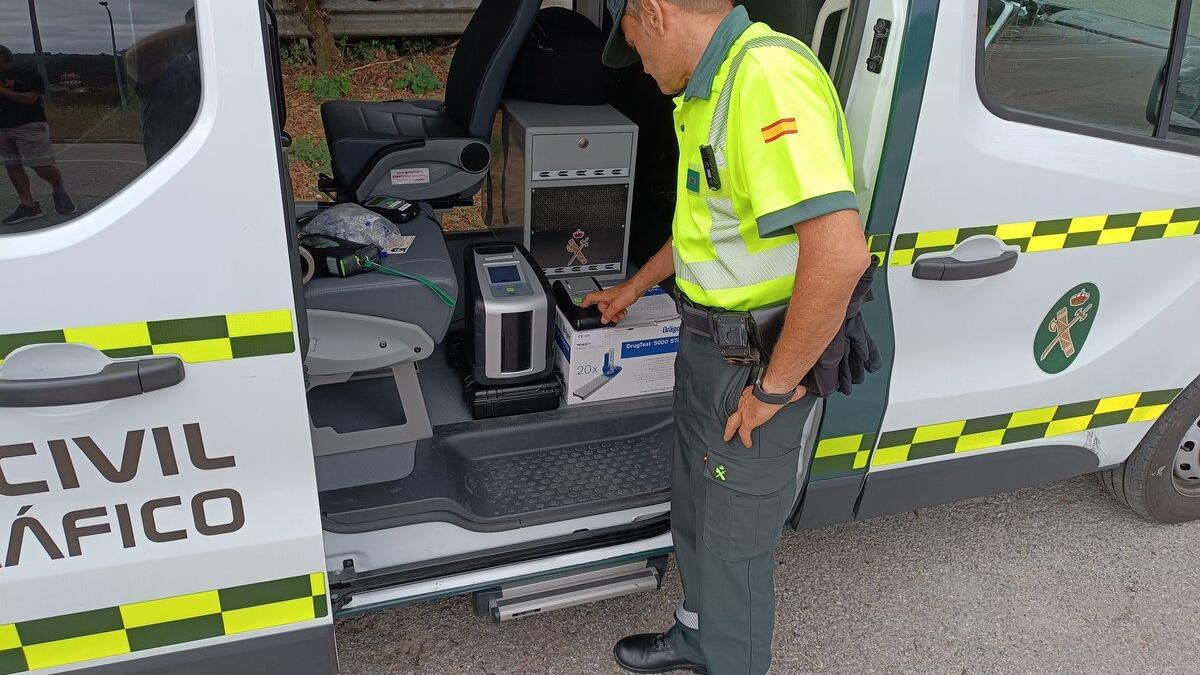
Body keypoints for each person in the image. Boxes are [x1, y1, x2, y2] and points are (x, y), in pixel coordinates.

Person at [583, 1, 872, 673]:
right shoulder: (705, 93)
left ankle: (729, 657)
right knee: (696, 509)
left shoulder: (764, 79)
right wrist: (636, 286)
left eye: (637, 50)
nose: (643, 71)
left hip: (756, 363)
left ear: (653, 12)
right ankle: (694, 636)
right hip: (709, 347)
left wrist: (772, 390)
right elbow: (707, 228)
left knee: (734, 545)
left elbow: (839, 254)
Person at [0, 44, 75, 226]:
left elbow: (30, 98)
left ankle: (58, 188)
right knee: (13, 165)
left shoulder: (27, 74)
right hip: (2, 128)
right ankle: (28, 205)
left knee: (41, 165)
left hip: (29, 125)